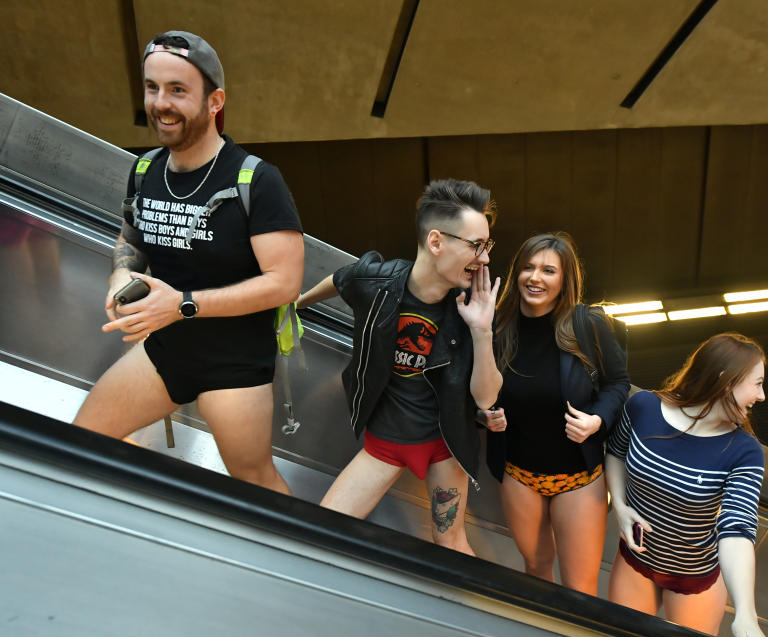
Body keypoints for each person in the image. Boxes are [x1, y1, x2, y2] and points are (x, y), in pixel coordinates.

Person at [73, 31, 304, 494]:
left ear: (214, 101)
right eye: (152, 87)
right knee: (78, 443)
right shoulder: (145, 169)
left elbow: (284, 283)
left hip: (234, 368)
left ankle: (302, 560)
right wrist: (122, 275)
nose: (161, 103)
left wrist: (182, 305)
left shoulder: (255, 179)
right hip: (165, 353)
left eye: (178, 90)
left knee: (254, 480)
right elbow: (132, 239)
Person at [296, 179, 501, 554]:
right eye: (476, 245)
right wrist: (298, 305)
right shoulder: (378, 281)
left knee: (451, 540)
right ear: (436, 242)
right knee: (324, 530)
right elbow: (342, 279)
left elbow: (486, 399)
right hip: (384, 444)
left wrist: (482, 330)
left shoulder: (472, 308)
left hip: (444, 447)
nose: (485, 258)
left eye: (487, 246)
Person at [606, 333, 768, 637]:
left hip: (695, 577)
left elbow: (737, 529)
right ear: (725, 380)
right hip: (636, 562)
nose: (761, 396)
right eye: (757, 384)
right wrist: (619, 507)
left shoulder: (744, 451)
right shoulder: (644, 407)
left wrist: (747, 615)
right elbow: (616, 454)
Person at [481, 232, 629, 594]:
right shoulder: (497, 326)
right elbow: (477, 390)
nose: (535, 278)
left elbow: (618, 383)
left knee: (580, 587)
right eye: (528, 268)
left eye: (548, 270)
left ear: (564, 280)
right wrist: (482, 415)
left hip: (578, 476)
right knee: (536, 571)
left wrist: (597, 421)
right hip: (519, 473)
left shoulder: (587, 324)